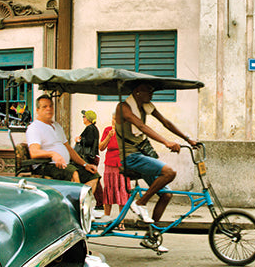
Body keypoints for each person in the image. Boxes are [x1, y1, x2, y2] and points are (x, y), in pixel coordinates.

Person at [116, 82, 197, 235]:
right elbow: (141, 126)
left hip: (143, 155)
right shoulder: (123, 107)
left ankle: (152, 236)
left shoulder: (145, 106)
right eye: (148, 91)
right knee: (169, 173)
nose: (151, 94)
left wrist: (188, 139)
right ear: (138, 91)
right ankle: (140, 203)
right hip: (131, 157)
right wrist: (166, 142)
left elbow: (166, 122)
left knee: (166, 195)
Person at [25, 95, 100, 203]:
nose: (49, 109)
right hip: (46, 165)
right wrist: (53, 154)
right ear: (37, 110)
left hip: (64, 164)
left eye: (50, 106)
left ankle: (84, 205)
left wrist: (85, 164)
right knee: (72, 172)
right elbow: (34, 152)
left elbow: (69, 148)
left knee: (93, 175)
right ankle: (77, 208)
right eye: (44, 106)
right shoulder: (34, 128)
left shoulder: (56, 126)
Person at [98, 112, 129, 225]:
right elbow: (101, 148)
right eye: (113, 119)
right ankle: (106, 219)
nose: (115, 121)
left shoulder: (127, 131)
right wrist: (109, 136)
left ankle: (121, 221)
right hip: (110, 165)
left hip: (122, 165)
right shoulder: (107, 130)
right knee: (108, 192)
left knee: (123, 192)